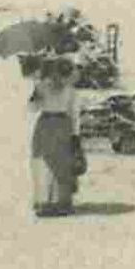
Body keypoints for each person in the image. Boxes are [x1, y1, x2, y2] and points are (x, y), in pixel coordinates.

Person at [27, 54, 86, 217]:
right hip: (48, 125)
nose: (58, 77)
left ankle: (61, 202)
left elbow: (74, 114)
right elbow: (32, 108)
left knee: (61, 165)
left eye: (63, 73)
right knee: (45, 163)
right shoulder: (42, 87)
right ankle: (45, 202)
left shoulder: (70, 91)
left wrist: (75, 136)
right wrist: (35, 97)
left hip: (58, 126)